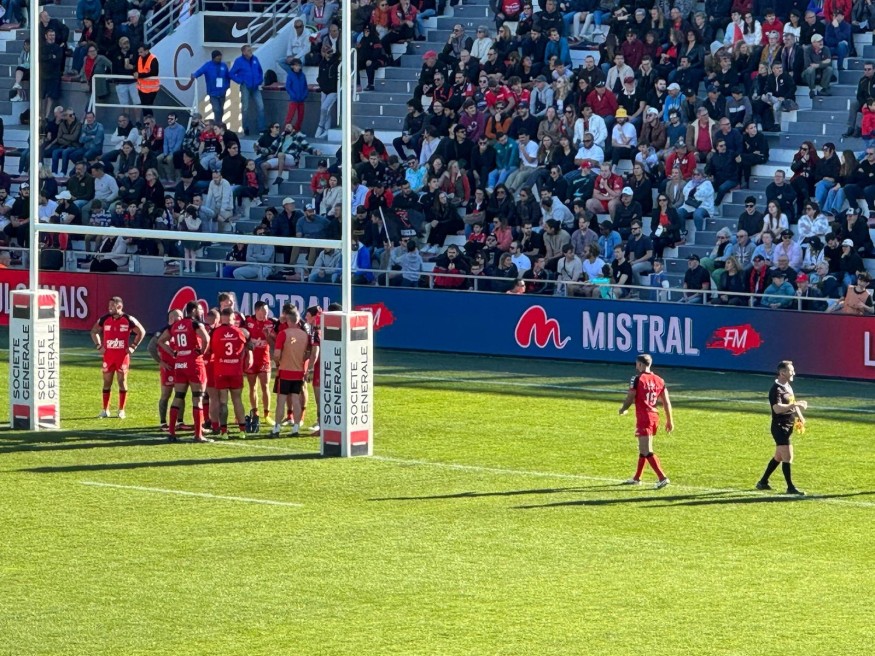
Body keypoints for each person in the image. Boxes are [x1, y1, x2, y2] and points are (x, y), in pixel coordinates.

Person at [158, 301, 212, 442]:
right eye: (200, 310)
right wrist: (201, 352)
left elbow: (161, 341)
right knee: (198, 398)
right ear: (193, 310)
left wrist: (174, 353)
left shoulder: (175, 325)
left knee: (178, 396)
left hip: (180, 364)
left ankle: (171, 433)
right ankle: (198, 435)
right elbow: (206, 339)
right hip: (194, 363)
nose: (202, 312)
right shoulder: (195, 324)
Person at [618, 353, 674, 489]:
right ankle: (637, 478)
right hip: (654, 417)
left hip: (644, 417)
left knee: (646, 449)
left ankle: (662, 477)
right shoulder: (660, 380)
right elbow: (666, 402)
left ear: (640, 364)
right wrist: (669, 420)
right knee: (642, 448)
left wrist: (623, 408)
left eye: (636, 363)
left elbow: (630, 396)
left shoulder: (637, 379)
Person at [89, 296, 145, 419]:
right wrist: (99, 346)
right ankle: (105, 410)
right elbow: (94, 331)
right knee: (107, 382)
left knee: (122, 382)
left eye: (112, 306)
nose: (109, 308)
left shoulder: (128, 319)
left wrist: (133, 346)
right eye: (109, 305)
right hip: (108, 356)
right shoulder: (104, 319)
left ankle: (121, 410)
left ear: (119, 306)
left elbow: (141, 331)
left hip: (122, 357)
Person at [756, 360, 806, 495]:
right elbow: (777, 409)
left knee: (778, 456)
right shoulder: (776, 389)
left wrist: (800, 416)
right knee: (788, 456)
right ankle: (790, 487)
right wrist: (795, 405)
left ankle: (763, 482)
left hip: (788, 426)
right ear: (783, 373)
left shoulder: (787, 386)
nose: (794, 373)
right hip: (780, 427)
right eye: (791, 371)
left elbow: (792, 402)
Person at [206, 307, 251, 437]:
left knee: (223, 401)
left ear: (222, 318)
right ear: (233, 318)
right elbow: (247, 347)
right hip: (236, 371)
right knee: (237, 400)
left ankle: (224, 431)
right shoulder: (239, 332)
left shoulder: (216, 332)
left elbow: (210, 350)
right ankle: (242, 430)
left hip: (221, 370)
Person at [271, 306, 312, 437]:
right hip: (298, 371)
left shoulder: (283, 334)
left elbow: (277, 354)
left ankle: (277, 428)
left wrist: (278, 361)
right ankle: (295, 428)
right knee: (296, 399)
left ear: (288, 320)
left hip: (285, 371)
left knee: (281, 400)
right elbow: (308, 353)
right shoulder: (304, 335)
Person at [243, 301, 277, 433]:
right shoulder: (247, 321)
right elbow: (242, 337)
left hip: (264, 359)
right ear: (257, 311)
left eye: (267, 312)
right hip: (251, 360)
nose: (265, 314)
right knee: (252, 387)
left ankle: (267, 414)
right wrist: (248, 346)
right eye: (263, 311)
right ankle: (255, 412)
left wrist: (268, 336)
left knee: (265, 386)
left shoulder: (271, 323)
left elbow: (275, 342)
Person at [147, 308, 184, 431]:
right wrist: (161, 362)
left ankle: (180, 422)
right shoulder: (163, 331)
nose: (181, 319)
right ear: (171, 318)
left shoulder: (183, 330)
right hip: (168, 368)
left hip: (181, 366)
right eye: (179, 316)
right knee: (166, 395)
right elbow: (151, 347)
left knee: (180, 394)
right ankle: (163, 423)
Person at [230, 44, 266, 137]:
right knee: (245, 108)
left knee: (261, 106)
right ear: (244, 52)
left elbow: (260, 71)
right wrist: (240, 81)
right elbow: (231, 73)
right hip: (245, 86)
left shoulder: (255, 59)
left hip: (255, 86)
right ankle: (245, 127)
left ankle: (262, 128)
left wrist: (260, 80)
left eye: (251, 50)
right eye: (249, 50)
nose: (251, 52)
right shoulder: (239, 61)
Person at [191, 50, 231, 123]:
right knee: (216, 109)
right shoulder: (207, 65)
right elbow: (200, 71)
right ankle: (217, 124)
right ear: (214, 57)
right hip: (213, 93)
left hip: (222, 92)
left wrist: (227, 86)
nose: (220, 58)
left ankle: (219, 123)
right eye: (218, 57)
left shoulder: (224, 65)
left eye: (220, 57)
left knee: (221, 109)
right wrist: (194, 75)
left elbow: (227, 76)